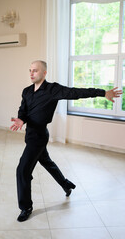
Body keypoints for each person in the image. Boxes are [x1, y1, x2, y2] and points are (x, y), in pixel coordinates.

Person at [10, 60, 122, 222]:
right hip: (30, 134)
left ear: (44, 73)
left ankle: (25, 207)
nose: (31, 73)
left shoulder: (53, 90)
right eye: (30, 70)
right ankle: (66, 184)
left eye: (35, 70)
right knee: (46, 162)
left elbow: (75, 92)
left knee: (22, 170)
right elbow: (23, 111)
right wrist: (21, 119)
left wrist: (102, 93)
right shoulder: (26, 91)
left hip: (40, 136)